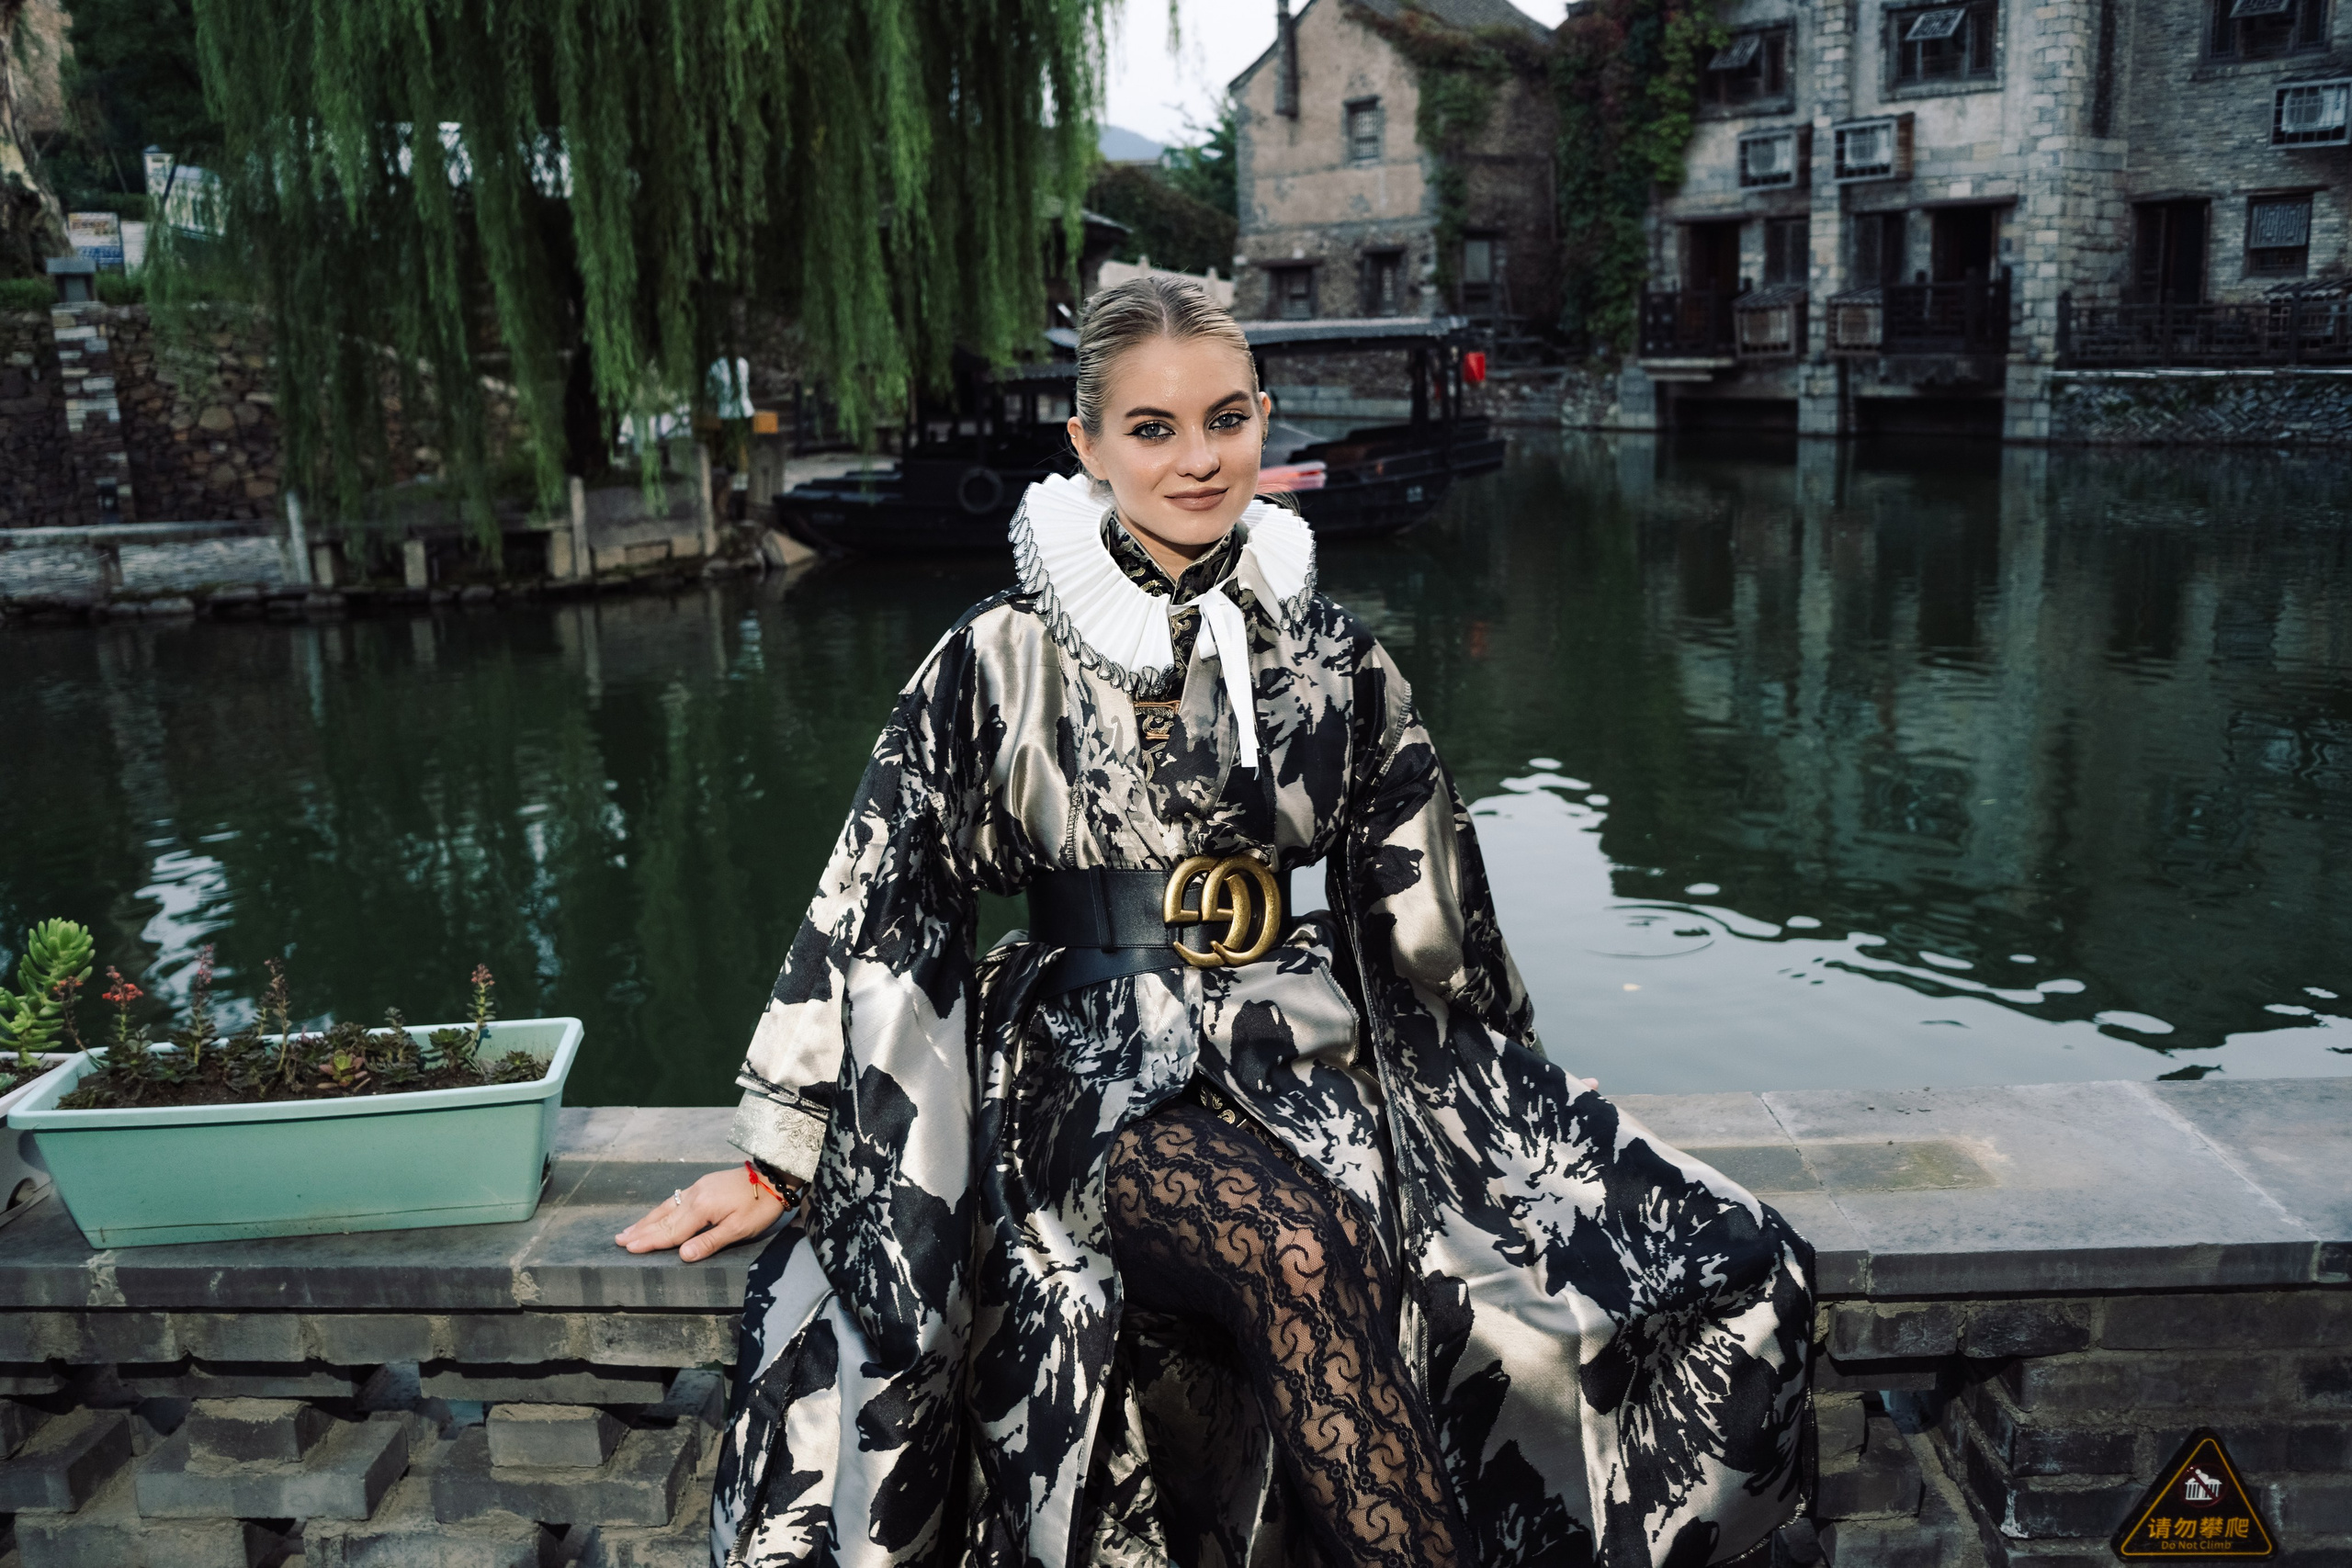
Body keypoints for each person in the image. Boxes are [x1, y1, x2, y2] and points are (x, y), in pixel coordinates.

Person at [616, 276, 1815, 1568]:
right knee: (1296, 1247)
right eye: (1152, 429)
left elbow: (1427, 902)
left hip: (1303, 1061)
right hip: (1087, 1075)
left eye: (1226, 419)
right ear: (1085, 445)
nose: (1198, 459)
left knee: (1718, 1259)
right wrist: (787, 1150)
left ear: (1262, 420)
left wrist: (1505, 1094)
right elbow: (882, 898)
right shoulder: (1000, 654)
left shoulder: (1335, 654)